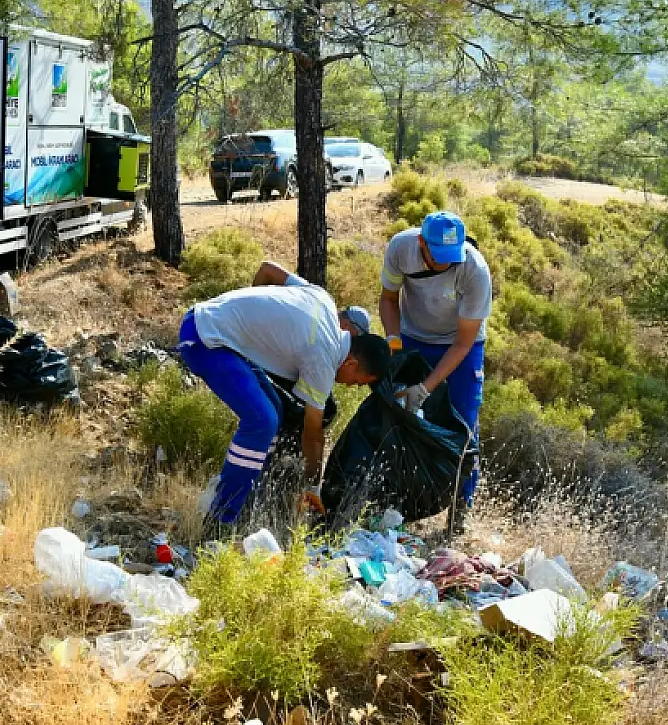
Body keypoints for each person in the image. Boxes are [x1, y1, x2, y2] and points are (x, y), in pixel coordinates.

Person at [177, 280, 390, 525]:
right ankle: (220, 520)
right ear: (352, 363)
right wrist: (312, 487)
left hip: (212, 324)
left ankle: (248, 497)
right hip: (205, 338)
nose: (351, 386)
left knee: (275, 412)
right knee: (262, 420)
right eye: (358, 382)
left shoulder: (325, 302)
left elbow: (270, 270)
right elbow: (313, 434)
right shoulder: (323, 358)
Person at [379, 210, 492, 525]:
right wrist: (394, 344)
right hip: (413, 337)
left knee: (463, 423)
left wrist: (424, 389)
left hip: (461, 345)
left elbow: (463, 343)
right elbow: (388, 298)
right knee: (402, 417)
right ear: (421, 243)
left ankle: (460, 507)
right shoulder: (400, 248)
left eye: (450, 257)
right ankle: (402, 501)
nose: (444, 264)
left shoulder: (475, 270)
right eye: (438, 256)